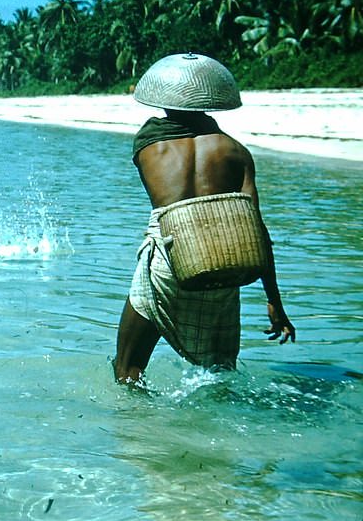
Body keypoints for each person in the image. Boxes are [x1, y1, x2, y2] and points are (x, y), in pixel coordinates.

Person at [113, 53, 295, 384]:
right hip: (222, 264)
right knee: (219, 375)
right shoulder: (236, 151)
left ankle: (138, 431)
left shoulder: (148, 146)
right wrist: (274, 301)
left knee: (127, 368)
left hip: (168, 259)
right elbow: (257, 229)